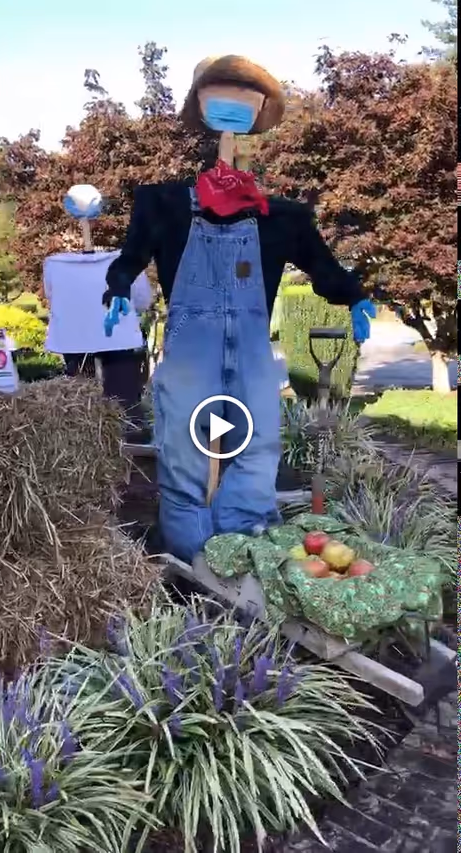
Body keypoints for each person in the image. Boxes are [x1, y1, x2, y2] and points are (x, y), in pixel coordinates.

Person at [103, 55, 376, 562]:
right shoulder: (163, 204)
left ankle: (239, 560)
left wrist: (354, 295)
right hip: (190, 355)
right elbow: (132, 255)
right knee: (184, 456)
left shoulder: (281, 218)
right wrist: (118, 287)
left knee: (257, 451)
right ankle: (191, 565)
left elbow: (323, 266)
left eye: (244, 100)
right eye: (219, 97)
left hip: (251, 357)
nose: (231, 108)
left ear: (259, 112)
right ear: (201, 108)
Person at [43, 249, 152, 419]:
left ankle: (82, 430)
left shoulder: (54, 265)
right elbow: (143, 300)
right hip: (118, 338)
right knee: (123, 399)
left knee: (79, 399)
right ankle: (130, 429)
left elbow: (52, 297)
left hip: (73, 337)